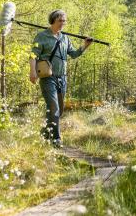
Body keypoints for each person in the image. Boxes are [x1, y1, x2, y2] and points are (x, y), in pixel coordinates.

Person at [29, 10, 92, 147]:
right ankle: (56, 139)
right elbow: (33, 55)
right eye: (60, 21)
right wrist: (32, 71)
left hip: (62, 78)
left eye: (64, 21)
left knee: (59, 110)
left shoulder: (65, 38)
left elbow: (74, 54)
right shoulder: (41, 37)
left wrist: (84, 46)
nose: (62, 23)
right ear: (53, 21)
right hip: (48, 78)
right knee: (54, 107)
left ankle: (45, 133)